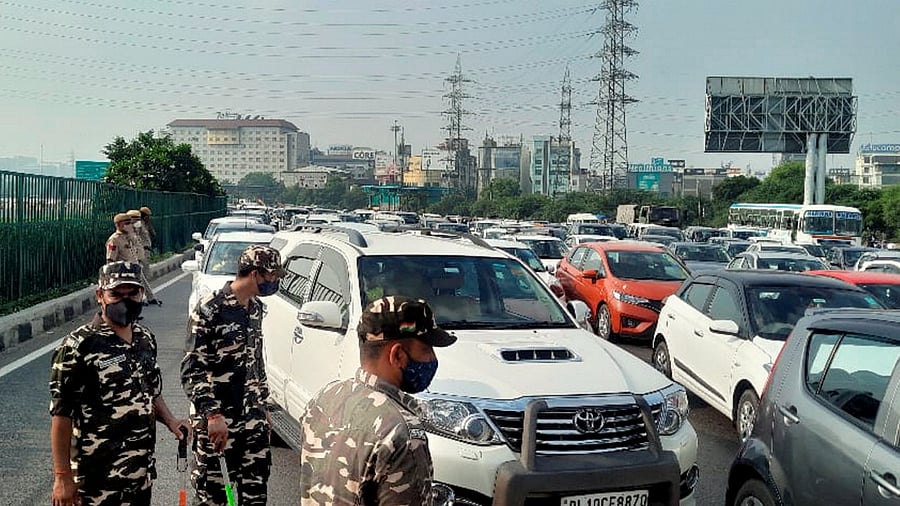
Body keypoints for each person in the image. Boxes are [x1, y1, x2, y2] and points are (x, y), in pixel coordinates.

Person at [49, 261, 189, 506]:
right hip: (95, 483)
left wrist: (171, 421)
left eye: (132, 293)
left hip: (139, 476)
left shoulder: (144, 339)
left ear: (142, 293)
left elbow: (150, 392)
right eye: (116, 294)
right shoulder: (79, 346)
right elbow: (62, 416)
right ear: (100, 296)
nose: (125, 300)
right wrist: (62, 477)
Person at [300, 296, 457, 505]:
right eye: (427, 349)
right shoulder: (402, 433)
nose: (432, 359)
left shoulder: (326, 397)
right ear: (398, 355)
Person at [181, 245, 286, 506]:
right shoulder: (211, 309)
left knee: (255, 494)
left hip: (253, 423)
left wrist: (263, 407)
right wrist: (212, 415)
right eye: (271, 276)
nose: (274, 282)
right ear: (254, 274)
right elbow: (193, 368)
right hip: (219, 425)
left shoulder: (256, 309)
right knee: (214, 497)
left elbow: (255, 362)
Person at [127, 209, 161, 306]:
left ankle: (148, 297)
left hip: (139, 255)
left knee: (142, 277)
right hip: (132, 257)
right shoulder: (127, 233)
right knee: (139, 278)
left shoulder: (136, 230)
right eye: (136, 219)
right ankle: (142, 298)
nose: (138, 221)